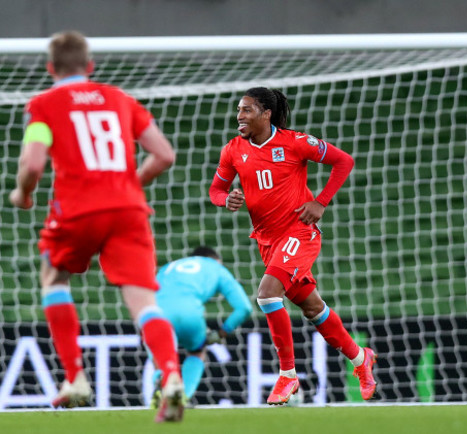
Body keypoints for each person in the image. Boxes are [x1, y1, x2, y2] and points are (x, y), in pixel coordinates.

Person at [9, 31, 184, 422]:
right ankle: (171, 373)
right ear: (90, 67)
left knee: (54, 277)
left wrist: (22, 194)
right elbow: (164, 154)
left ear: (50, 68)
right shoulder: (121, 100)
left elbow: (33, 163)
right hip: (128, 210)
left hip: (77, 210)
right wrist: (126, 188)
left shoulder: (44, 105)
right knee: (143, 303)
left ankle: (75, 377)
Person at [209, 87, 377, 405]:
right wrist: (225, 198)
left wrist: (321, 202)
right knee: (313, 308)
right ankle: (360, 359)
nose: (238, 117)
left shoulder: (296, 142)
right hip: (268, 241)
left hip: (300, 233)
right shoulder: (232, 150)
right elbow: (215, 189)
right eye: (238, 110)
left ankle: (287, 376)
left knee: (267, 294)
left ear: (266, 113)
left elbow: (344, 161)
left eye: (246, 110)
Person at [149, 246, 252, 406]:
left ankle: (160, 376)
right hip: (190, 314)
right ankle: (183, 397)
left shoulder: (169, 267)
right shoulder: (216, 268)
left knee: (160, 349)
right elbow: (244, 308)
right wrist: (222, 332)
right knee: (197, 351)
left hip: (157, 313)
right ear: (216, 260)